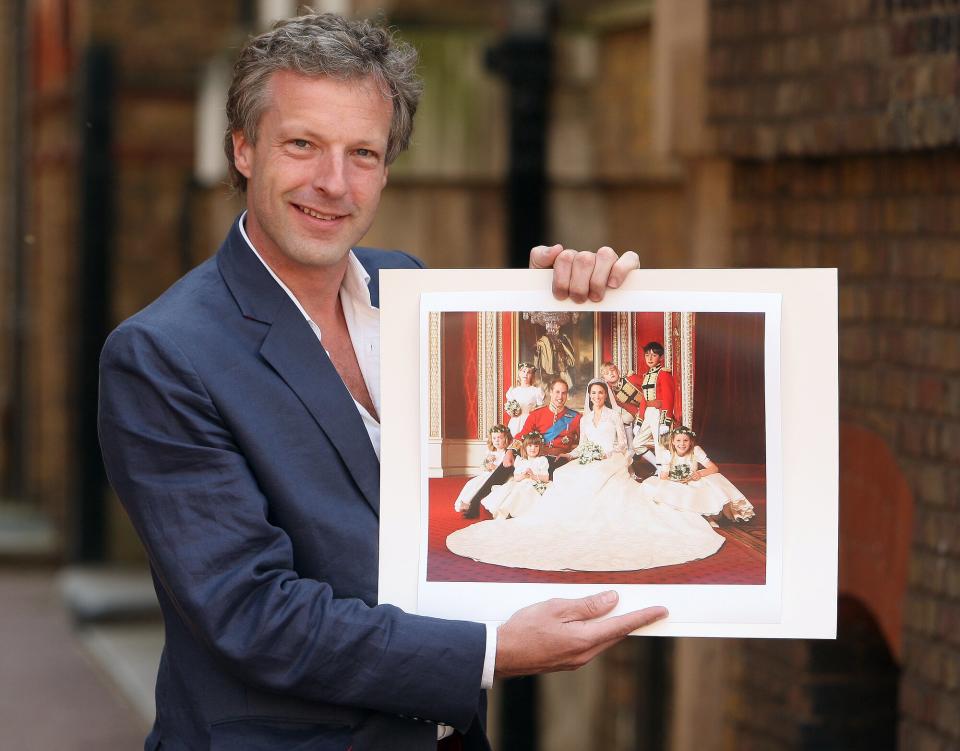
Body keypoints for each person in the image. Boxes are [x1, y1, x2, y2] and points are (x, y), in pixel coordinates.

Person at [97, 12, 660, 751]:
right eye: (303, 144)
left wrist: (554, 312)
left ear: (386, 167)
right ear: (242, 148)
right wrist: (493, 651)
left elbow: (482, 467)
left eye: (361, 152)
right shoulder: (163, 356)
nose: (333, 183)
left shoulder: (410, 290)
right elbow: (254, 613)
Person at [446, 380, 725, 572]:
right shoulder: (570, 417)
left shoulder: (598, 417)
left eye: (600, 394)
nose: (596, 398)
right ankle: (489, 505)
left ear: (605, 395)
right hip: (569, 454)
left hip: (607, 458)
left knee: (592, 475)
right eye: (593, 394)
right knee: (566, 474)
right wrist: (569, 455)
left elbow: (621, 445)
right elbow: (575, 445)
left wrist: (603, 455)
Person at [462, 379, 580, 518]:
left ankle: (518, 510)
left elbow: (581, 441)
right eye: (557, 392)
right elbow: (522, 435)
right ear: (550, 392)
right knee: (507, 465)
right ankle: (476, 504)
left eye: (564, 393)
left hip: (557, 459)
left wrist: (571, 454)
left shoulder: (575, 417)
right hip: (534, 454)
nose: (560, 397)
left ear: (567, 395)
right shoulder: (537, 414)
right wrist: (510, 452)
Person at [640, 426, 755, 526]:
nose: (682, 444)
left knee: (711, 481)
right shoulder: (668, 454)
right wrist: (676, 479)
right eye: (678, 440)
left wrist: (699, 473)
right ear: (673, 442)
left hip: (693, 481)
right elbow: (664, 476)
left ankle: (707, 515)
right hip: (674, 482)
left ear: (690, 442)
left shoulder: (696, 450)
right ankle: (686, 517)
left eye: (686, 440)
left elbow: (714, 468)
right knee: (658, 488)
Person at [483, 431, 550, 519]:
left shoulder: (542, 460)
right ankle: (502, 509)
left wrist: (532, 475)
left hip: (535, 484)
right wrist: (524, 475)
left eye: (536, 446)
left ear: (539, 447)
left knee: (522, 490)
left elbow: (546, 478)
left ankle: (508, 510)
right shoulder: (521, 461)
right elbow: (516, 477)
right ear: (525, 447)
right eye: (530, 446)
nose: (533, 449)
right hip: (522, 481)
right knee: (510, 488)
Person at [630, 341, 676, 470]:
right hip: (648, 413)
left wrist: (665, 422)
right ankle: (658, 466)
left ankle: (663, 470)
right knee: (637, 443)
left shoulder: (664, 373)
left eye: (653, 355)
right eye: (647, 355)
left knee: (661, 443)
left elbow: (669, 398)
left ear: (660, 357)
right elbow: (644, 400)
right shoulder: (647, 375)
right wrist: (639, 422)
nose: (649, 358)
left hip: (659, 412)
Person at [453, 424, 512, 512]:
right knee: (471, 483)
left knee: (480, 485)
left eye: (499, 438)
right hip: (486, 474)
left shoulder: (506, 453)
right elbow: (483, 466)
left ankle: (469, 503)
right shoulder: (491, 451)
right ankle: (463, 502)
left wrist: (494, 467)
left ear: (506, 439)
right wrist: (487, 464)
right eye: (494, 438)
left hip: (495, 477)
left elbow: (504, 470)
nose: (496, 441)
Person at [503, 362, 544, 437]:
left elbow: (541, 409)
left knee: (527, 442)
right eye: (524, 371)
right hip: (516, 421)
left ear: (532, 375)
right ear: (519, 373)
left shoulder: (536, 391)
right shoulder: (513, 391)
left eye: (529, 372)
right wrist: (512, 412)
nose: (525, 374)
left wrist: (534, 410)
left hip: (529, 421)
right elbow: (509, 408)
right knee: (514, 440)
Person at [534, 319, 576, 390]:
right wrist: (539, 347)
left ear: (558, 326)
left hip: (560, 358)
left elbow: (568, 348)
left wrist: (562, 350)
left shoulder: (563, 337)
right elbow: (541, 346)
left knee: (563, 373)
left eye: (555, 326)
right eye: (549, 326)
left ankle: (565, 389)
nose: (552, 328)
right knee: (551, 377)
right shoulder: (544, 338)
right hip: (550, 360)